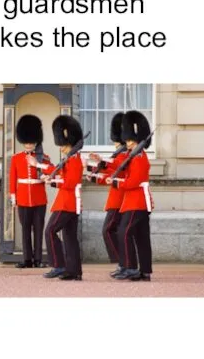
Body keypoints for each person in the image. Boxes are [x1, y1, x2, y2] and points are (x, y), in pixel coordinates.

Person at [32, 115, 84, 281]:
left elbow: (70, 182)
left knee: (50, 231)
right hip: (66, 202)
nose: (61, 148)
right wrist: (41, 167)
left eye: (64, 145)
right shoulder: (69, 159)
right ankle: (73, 271)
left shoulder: (75, 160)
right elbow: (58, 171)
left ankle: (59, 265)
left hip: (68, 203)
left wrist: (52, 182)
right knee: (69, 237)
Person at [107, 110, 154, 281]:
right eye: (127, 140)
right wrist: (104, 164)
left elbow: (133, 181)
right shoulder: (132, 156)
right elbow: (119, 165)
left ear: (139, 141)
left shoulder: (140, 158)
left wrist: (115, 182)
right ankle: (145, 271)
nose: (128, 144)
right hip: (133, 202)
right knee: (141, 237)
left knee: (123, 232)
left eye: (131, 141)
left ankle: (131, 267)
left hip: (138, 201)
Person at [86, 113, 130, 277]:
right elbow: (110, 173)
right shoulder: (119, 153)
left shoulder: (125, 154)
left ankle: (124, 263)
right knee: (115, 231)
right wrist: (94, 173)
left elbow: (116, 172)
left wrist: (100, 165)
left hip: (120, 199)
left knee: (108, 230)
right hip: (116, 197)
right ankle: (123, 264)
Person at [9, 115, 50, 268]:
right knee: (25, 229)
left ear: (36, 141)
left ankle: (38, 259)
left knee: (38, 229)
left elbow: (49, 173)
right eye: (26, 142)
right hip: (23, 198)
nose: (28, 145)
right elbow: (12, 179)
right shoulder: (16, 158)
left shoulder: (43, 157)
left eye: (31, 142)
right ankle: (27, 259)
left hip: (39, 198)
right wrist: (13, 197)